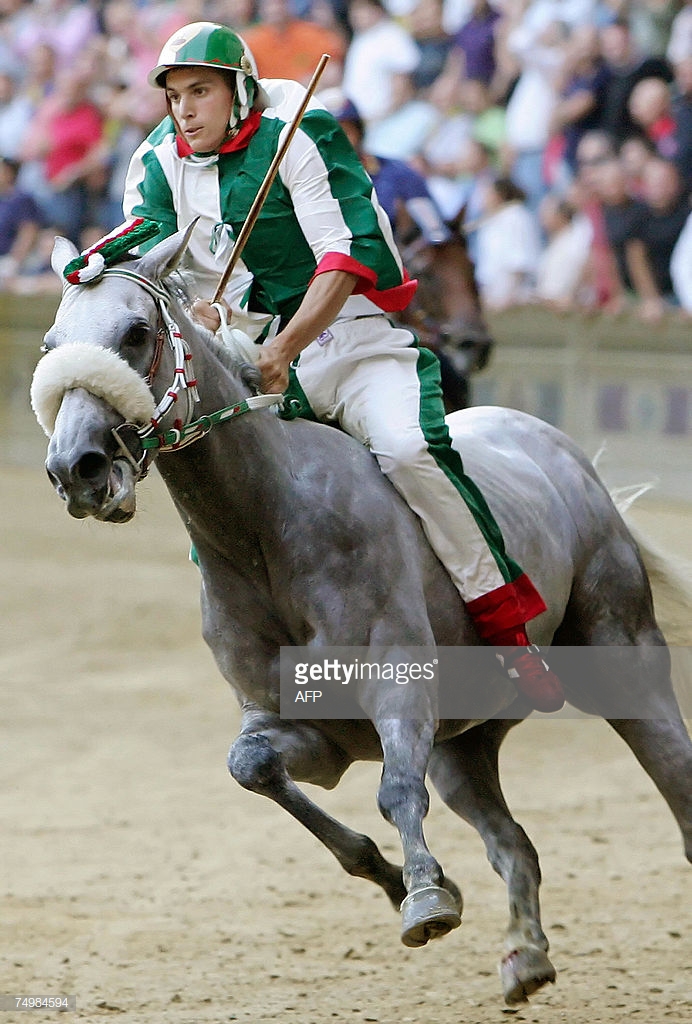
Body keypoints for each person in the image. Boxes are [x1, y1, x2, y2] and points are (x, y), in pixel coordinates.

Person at [122, 21, 564, 711]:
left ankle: (508, 630)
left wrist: (285, 346)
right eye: (175, 94)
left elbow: (342, 257)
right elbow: (147, 267)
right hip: (245, 353)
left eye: (200, 91)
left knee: (411, 451)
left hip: (347, 344)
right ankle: (263, 663)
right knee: (218, 487)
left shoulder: (300, 130)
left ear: (237, 91)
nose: (184, 108)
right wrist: (195, 313)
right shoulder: (154, 163)